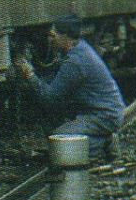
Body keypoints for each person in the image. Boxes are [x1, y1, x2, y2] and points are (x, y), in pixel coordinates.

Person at [14, 14, 126, 160]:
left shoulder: (75, 61)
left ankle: (104, 142)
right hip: (98, 110)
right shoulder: (80, 49)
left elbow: (49, 98)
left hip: (104, 115)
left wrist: (29, 74)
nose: (50, 40)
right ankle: (100, 139)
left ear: (65, 37)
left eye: (53, 36)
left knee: (59, 143)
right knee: (54, 132)